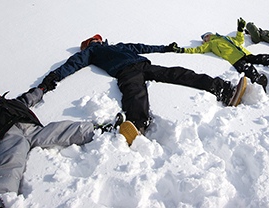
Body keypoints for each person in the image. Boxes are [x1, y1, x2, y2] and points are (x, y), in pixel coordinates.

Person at [42, 35, 248, 137]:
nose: (97, 42)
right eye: (93, 41)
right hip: (126, 71)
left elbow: (142, 47)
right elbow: (73, 64)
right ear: (89, 44)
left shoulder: (117, 46)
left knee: (180, 73)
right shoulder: (90, 53)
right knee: (134, 93)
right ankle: (136, 126)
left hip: (143, 65)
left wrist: (166, 48)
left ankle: (224, 90)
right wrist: (54, 77)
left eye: (97, 40)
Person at [176, 18, 269, 88]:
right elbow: (196, 49)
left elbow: (239, 40)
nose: (207, 38)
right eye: (205, 38)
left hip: (246, 54)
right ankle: (258, 80)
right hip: (235, 59)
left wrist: (239, 30)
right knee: (247, 69)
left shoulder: (224, 38)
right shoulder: (210, 45)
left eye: (207, 36)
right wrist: (182, 49)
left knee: (268, 58)